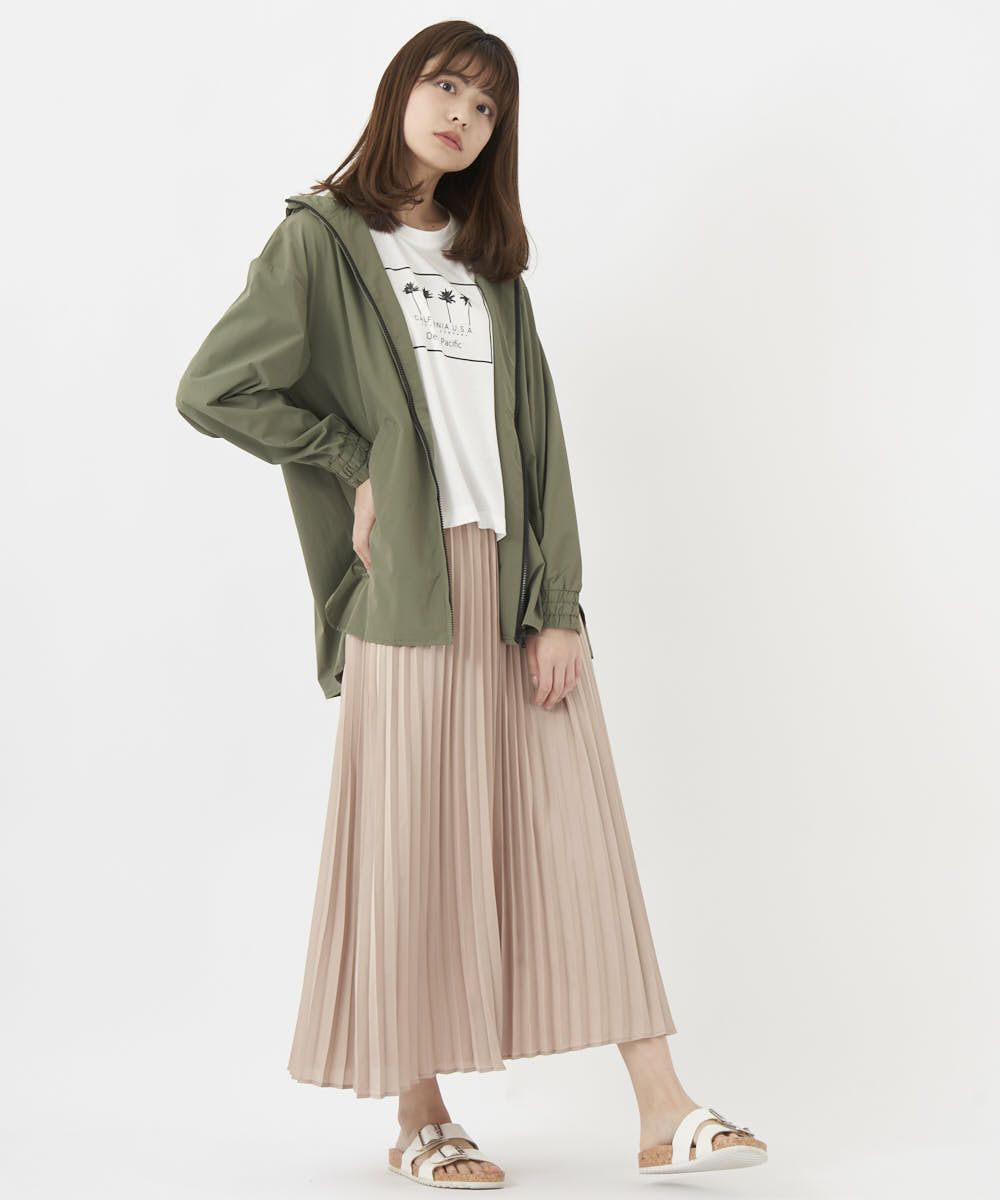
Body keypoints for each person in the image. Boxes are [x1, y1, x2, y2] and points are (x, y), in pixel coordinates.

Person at [175, 18, 768, 1189]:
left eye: (488, 105)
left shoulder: (489, 266)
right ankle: (419, 1114)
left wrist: (560, 607)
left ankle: (663, 1108)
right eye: (447, 86)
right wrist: (351, 462)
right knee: (410, 846)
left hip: (509, 580)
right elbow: (214, 387)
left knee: (580, 833)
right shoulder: (320, 241)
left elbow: (539, 444)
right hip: (406, 583)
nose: (463, 115)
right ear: (401, 89)